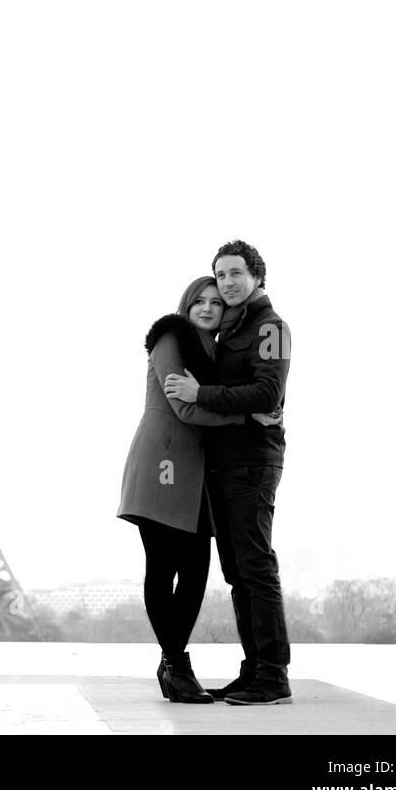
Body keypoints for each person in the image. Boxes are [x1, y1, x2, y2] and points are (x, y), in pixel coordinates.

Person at [117, 275, 279, 703]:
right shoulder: (172, 337)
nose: (208, 308)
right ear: (186, 306)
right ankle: (175, 665)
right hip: (163, 462)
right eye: (199, 301)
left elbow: (223, 393)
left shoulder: (216, 350)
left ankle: (173, 666)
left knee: (195, 572)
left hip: (196, 474)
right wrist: (247, 418)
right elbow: (185, 407)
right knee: (164, 566)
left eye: (215, 302)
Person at [165, 239, 291, 705]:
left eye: (236, 273)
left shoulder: (270, 327)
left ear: (257, 276)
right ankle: (255, 667)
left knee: (256, 567)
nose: (227, 283)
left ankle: (274, 676)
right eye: (220, 276)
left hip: (253, 459)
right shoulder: (231, 331)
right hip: (225, 461)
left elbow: (267, 394)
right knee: (238, 572)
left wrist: (203, 394)